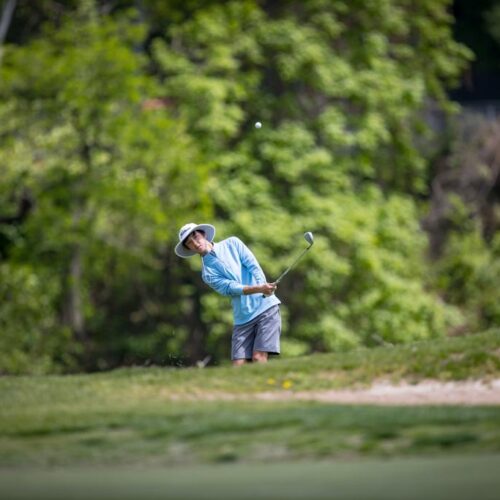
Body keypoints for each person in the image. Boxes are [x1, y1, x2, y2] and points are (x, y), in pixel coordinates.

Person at [175, 222, 281, 366]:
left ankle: (266, 389)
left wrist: (264, 287)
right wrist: (260, 288)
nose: (195, 243)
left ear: (203, 234)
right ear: (189, 248)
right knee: (238, 366)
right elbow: (233, 288)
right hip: (242, 318)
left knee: (258, 358)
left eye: (196, 236)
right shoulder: (207, 274)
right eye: (189, 243)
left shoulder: (233, 243)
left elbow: (253, 266)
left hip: (266, 307)